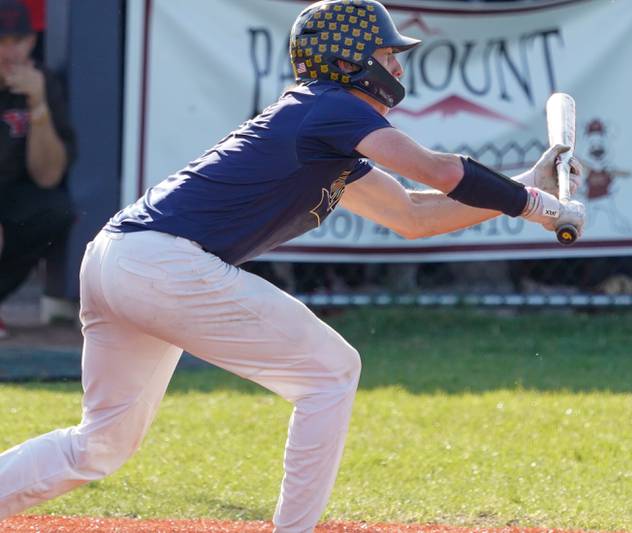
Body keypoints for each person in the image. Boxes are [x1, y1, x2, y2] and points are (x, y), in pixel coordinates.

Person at [0, 0, 583, 530]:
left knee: (99, 445)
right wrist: (537, 206)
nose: (397, 70)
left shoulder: (321, 122)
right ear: (350, 62)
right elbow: (435, 169)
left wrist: (526, 183)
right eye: (386, 55)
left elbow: (412, 213)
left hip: (120, 259)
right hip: (159, 262)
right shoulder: (330, 107)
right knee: (331, 372)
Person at [0, 0, 75, 338]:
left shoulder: (41, 81)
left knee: (53, 210)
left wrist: (39, 106)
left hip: (12, 195)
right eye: (1, 42)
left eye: (19, 41)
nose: (10, 52)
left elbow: (48, 175)